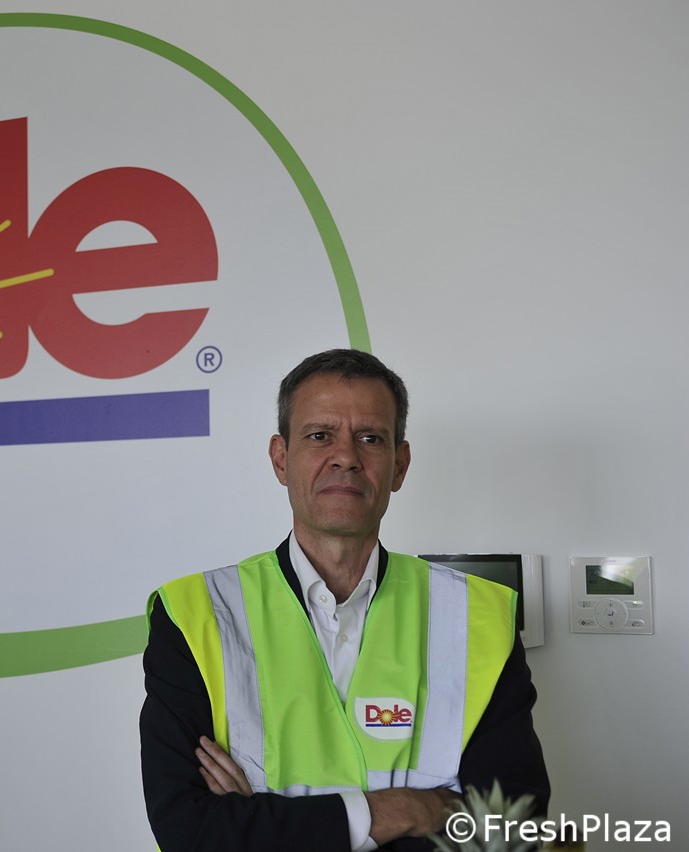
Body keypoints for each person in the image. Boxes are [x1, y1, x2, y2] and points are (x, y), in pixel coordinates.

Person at [140, 349, 549, 851]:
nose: (346, 457)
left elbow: (513, 827)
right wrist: (405, 810)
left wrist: (263, 821)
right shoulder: (196, 614)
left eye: (370, 438)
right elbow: (190, 833)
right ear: (280, 458)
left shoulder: (477, 616)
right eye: (320, 435)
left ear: (399, 465)